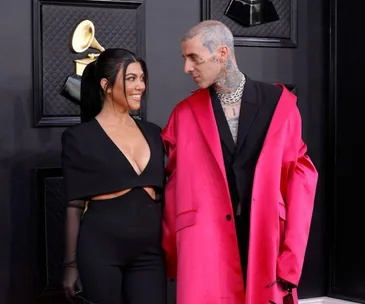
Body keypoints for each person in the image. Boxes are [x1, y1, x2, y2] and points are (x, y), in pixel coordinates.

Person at [161, 20, 318, 304]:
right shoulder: (183, 115)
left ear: (222, 53)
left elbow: (301, 183)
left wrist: (291, 255)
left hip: (265, 237)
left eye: (194, 58)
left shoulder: (278, 104)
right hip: (206, 241)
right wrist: (173, 251)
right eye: (184, 59)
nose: (187, 68)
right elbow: (173, 188)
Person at [61, 48, 166, 304]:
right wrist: (71, 265)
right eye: (131, 78)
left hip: (150, 252)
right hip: (100, 250)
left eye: (142, 78)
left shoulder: (154, 133)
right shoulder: (79, 138)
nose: (140, 86)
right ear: (106, 85)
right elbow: (74, 206)